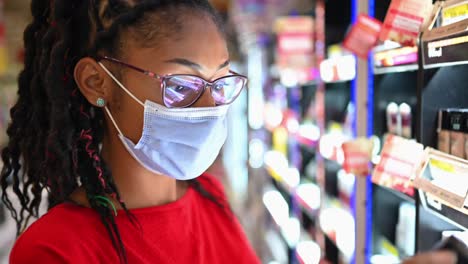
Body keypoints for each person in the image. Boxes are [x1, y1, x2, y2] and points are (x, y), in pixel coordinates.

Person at [1, 0, 260, 263]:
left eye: (220, 83)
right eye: (180, 86)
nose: (211, 108)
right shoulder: (53, 250)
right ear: (96, 83)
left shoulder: (211, 195)